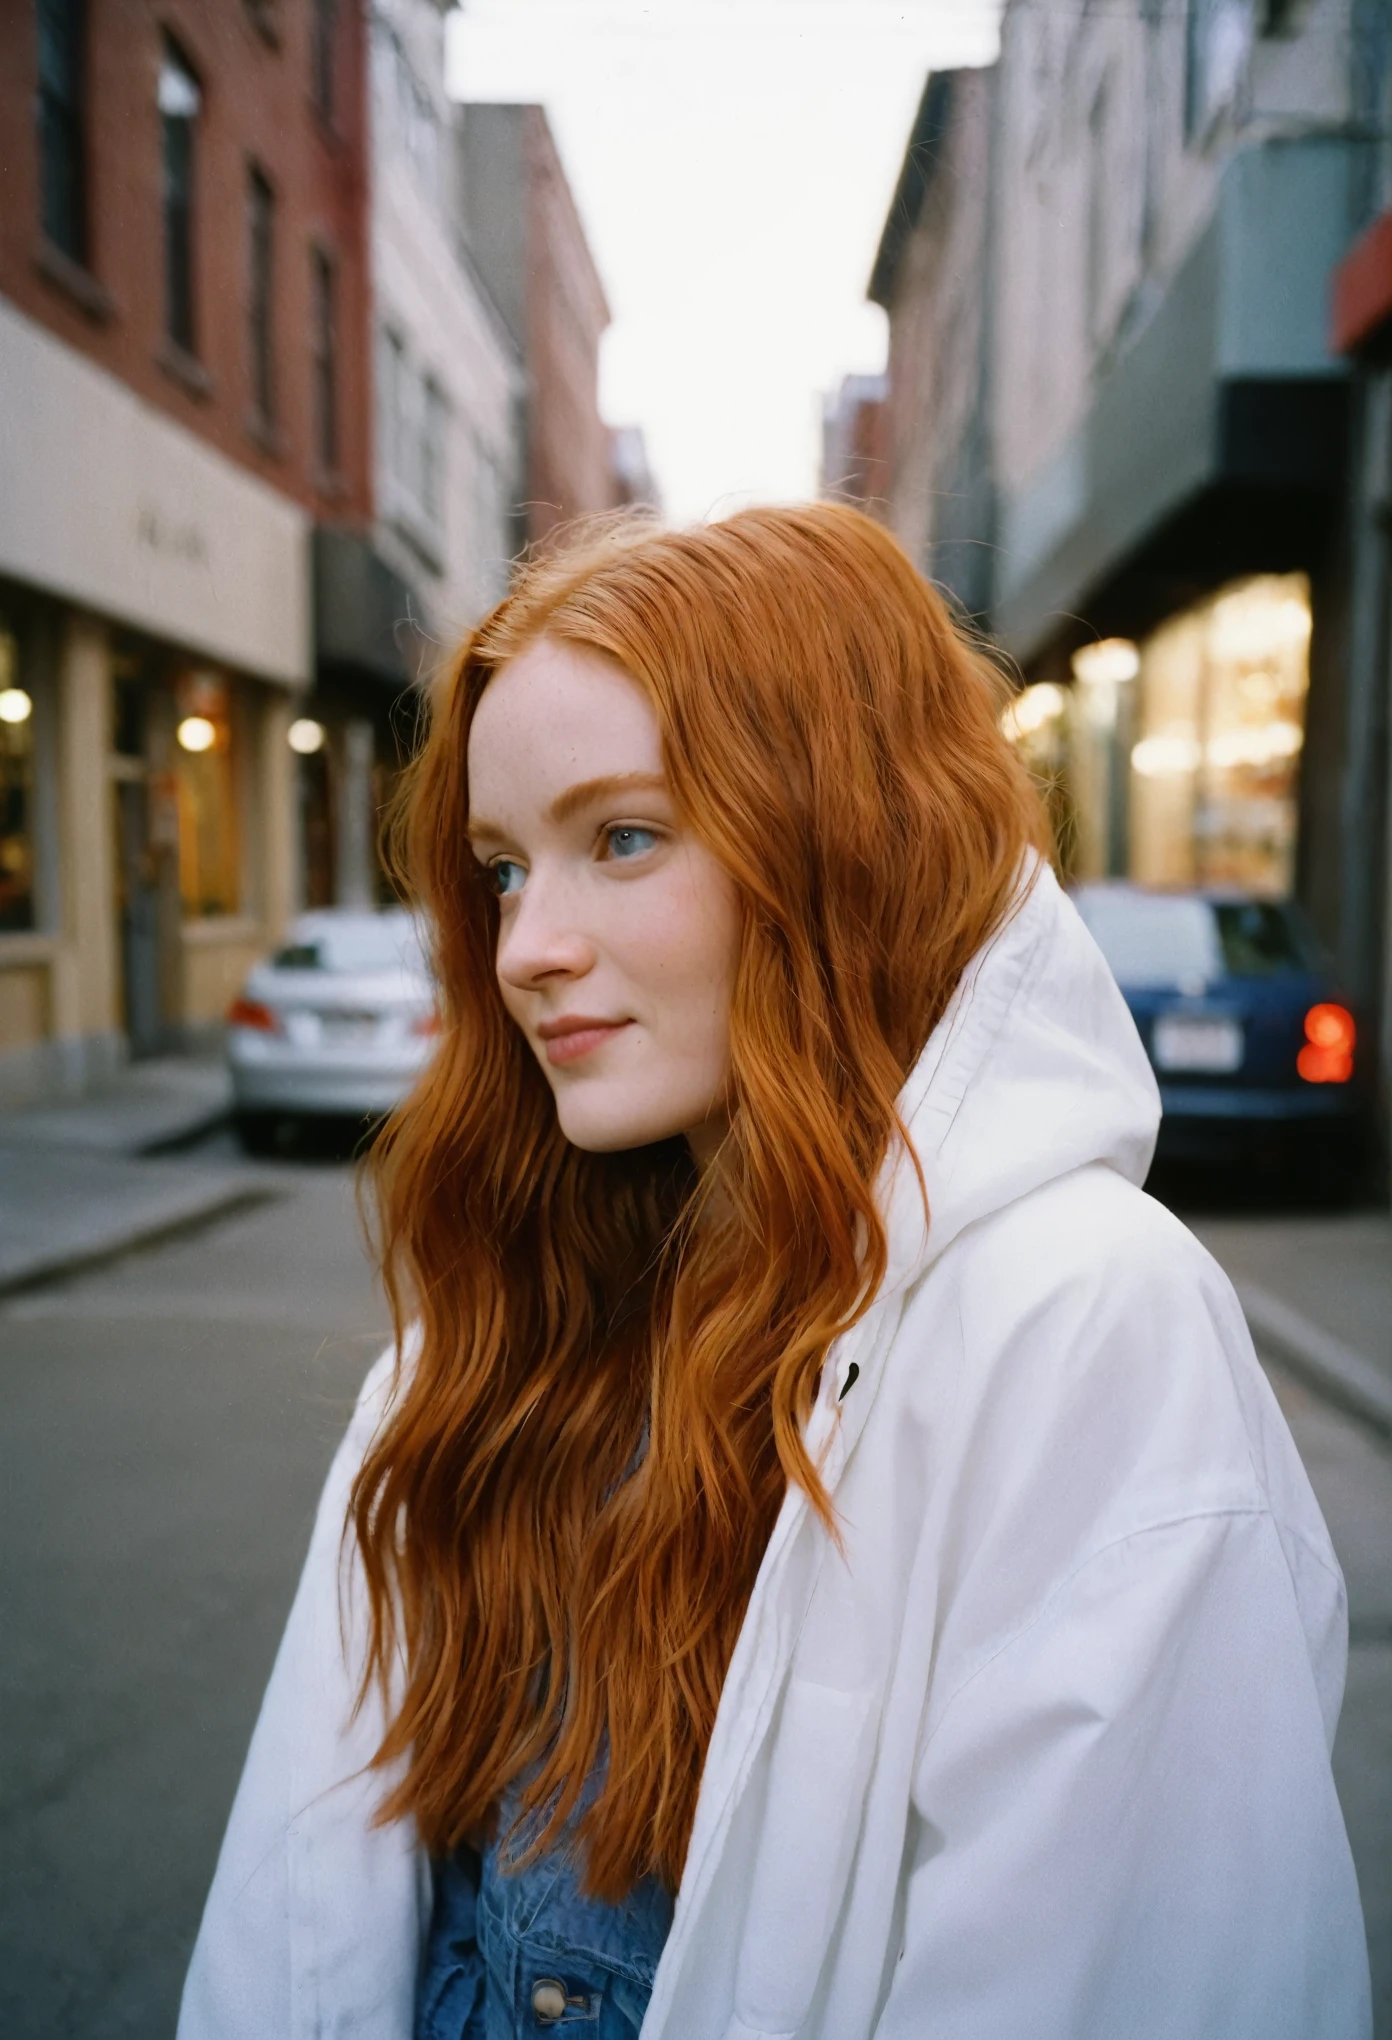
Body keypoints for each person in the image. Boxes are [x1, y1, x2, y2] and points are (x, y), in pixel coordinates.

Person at [178, 506, 1370, 2040]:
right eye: (497, 869)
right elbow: (296, 1917)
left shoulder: (1083, 1321)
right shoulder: (502, 1319)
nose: (526, 943)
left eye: (621, 838)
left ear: (838, 841)